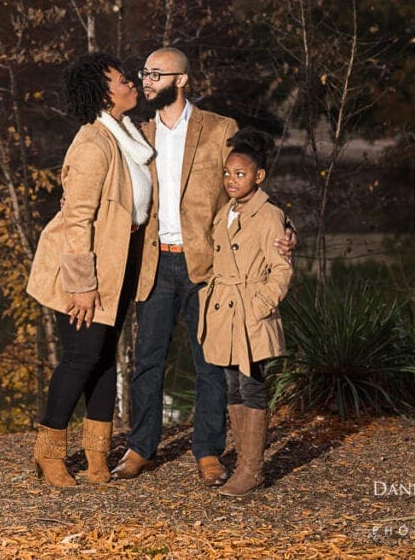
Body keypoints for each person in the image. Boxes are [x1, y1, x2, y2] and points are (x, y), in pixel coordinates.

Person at [112, 47, 296, 486]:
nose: (148, 81)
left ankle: (209, 452)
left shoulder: (219, 128)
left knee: (209, 363)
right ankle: (141, 447)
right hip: (154, 265)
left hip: (208, 267)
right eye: (145, 73)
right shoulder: (136, 131)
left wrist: (285, 229)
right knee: (147, 362)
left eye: (157, 74)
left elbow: (246, 186)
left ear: (182, 79)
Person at [26, 52, 154, 487]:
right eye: (122, 80)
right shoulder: (93, 143)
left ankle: (98, 456)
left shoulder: (126, 136)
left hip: (120, 265)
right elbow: (78, 218)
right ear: (103, 92)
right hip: (84, 268)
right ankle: (49, 455)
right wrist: (82, 286)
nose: (131, 83)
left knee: (103, 358)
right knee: (81, 358)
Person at [199, 127, 293, 496]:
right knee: (231, 387)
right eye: (227, 173)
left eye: (240, 174)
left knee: (252, 387)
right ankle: (243, 464)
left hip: (250, 314)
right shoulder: (226, 211)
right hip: (224, 313)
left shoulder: (269, 215)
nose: (231, 180)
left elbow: (281, 268)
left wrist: (261, 305)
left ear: (259, 176)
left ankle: (253, 470)